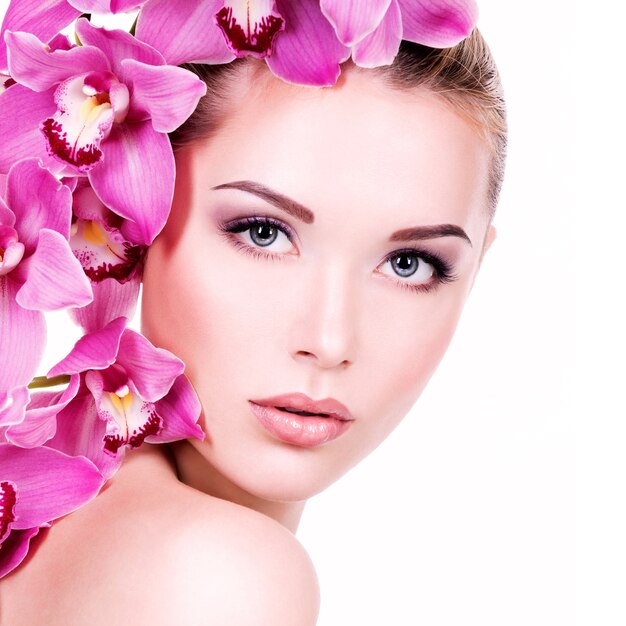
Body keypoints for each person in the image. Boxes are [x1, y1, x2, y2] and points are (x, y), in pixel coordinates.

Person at [0, 27, 506, 626]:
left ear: (474, 271)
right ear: (126, 211)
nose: (328, 340)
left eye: (409, 264)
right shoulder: (225, 575)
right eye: (262, 232)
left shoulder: (57, 521)